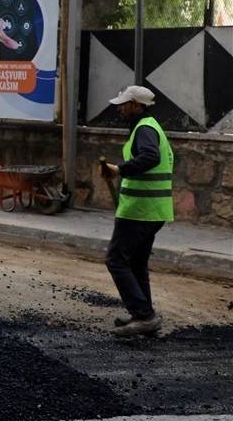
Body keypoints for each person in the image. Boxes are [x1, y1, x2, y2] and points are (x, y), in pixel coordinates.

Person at [99, 85, 173, 337]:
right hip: (152, 210)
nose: (120, 108)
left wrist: (119, 170)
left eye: (124, 104)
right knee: (136, 262)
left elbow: (150, 157)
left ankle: (143, 316)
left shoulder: (144, 129)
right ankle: (144, 313)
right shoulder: (149, 127)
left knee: (116, 260)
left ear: (138, 106)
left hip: (139, 210)